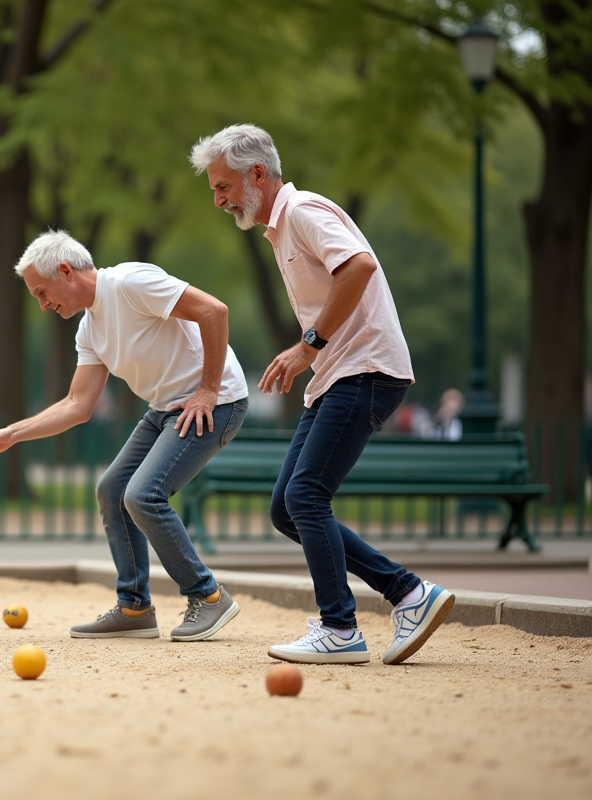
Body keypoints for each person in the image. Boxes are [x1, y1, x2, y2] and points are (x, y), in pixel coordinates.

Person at [190, 123, 454, 665]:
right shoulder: (282, 228)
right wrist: (315, 358)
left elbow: (359, 266)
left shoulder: (304, 211)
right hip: (339, 375)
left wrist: (308, 345)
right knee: (288, 508)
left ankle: (340, 628)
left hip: (365, 369)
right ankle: (408, 593)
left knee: (306, 496)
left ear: (256, 174)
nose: (217, 199)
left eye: (222, 187)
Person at [0, 230, 250, 642]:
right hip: (165, 409)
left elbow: (214, 311)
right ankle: (134, 608)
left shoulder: (131, 283)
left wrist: (208, 389)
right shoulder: (89, 330)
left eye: (42, 292)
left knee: (142, 495)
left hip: (216, 403)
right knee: (112, 490)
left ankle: (208, 597)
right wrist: (10, 435)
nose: (43, 305)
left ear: (65, 271)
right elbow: (77, 406)